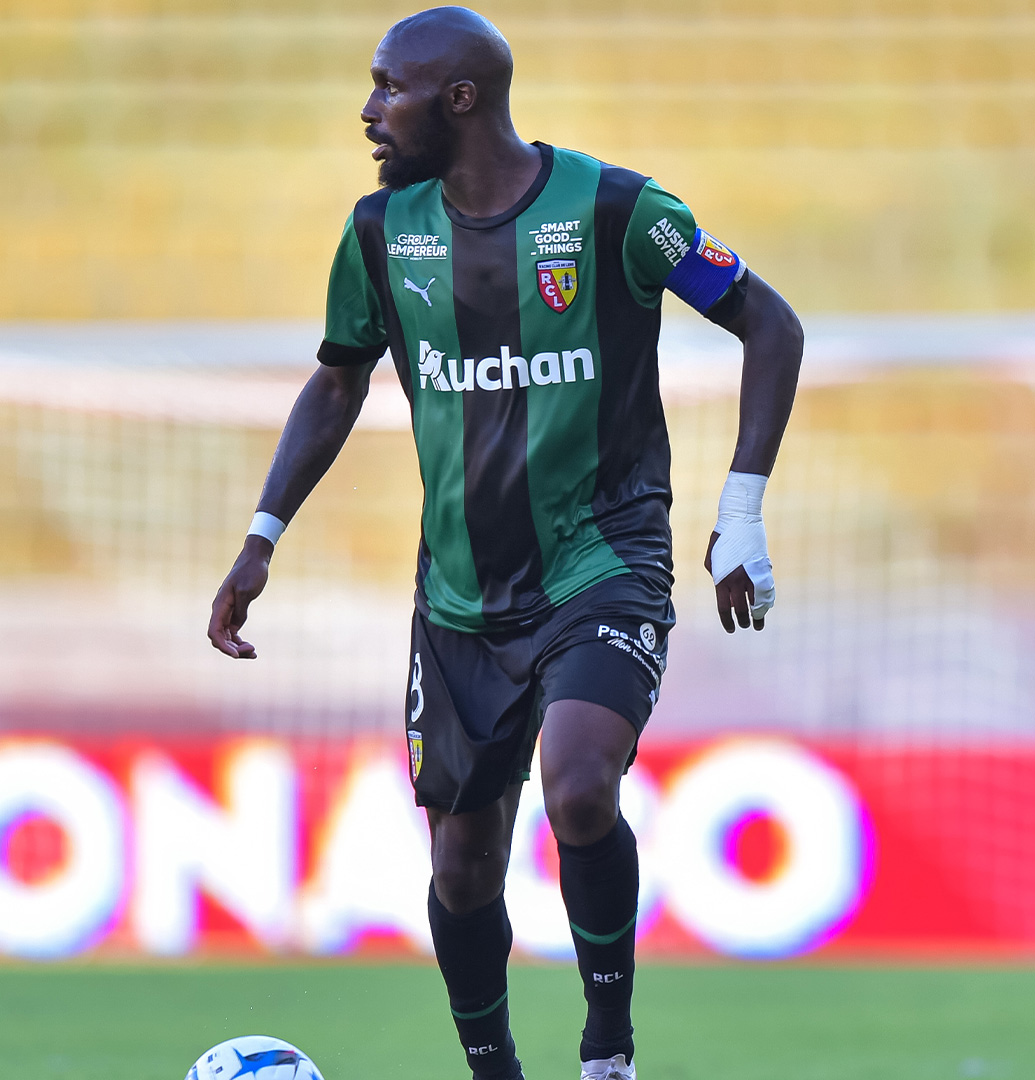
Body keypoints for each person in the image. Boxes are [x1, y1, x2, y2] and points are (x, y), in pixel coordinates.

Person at [207, 8, 804, 1080]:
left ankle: (607, 1051)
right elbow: (339, 378)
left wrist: (744, 509)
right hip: (461, 602)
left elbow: (771, 322)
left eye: (389, 88)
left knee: (580, 787)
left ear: (460, 100)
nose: (368, 111)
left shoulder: (618, 210)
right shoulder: (384, 233)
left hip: (602, 563)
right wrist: (262, 538)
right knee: (464, 867)